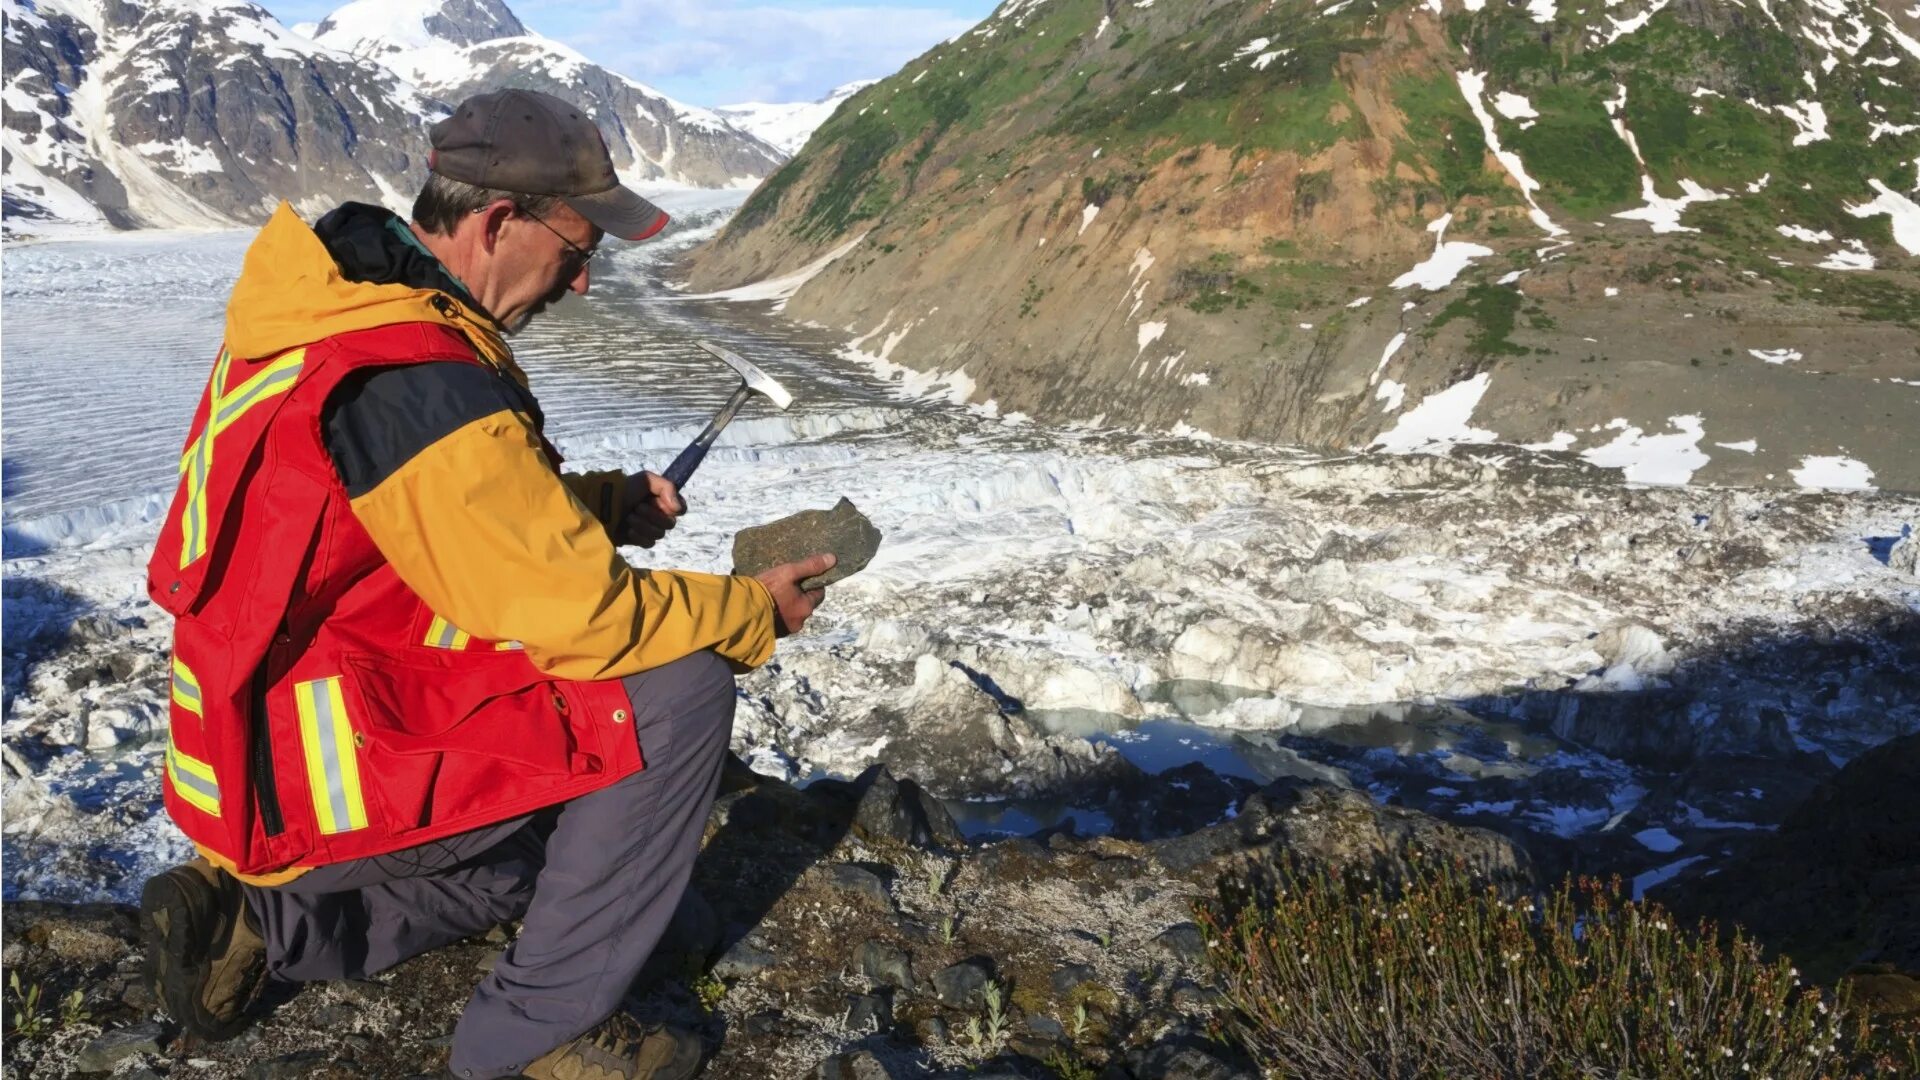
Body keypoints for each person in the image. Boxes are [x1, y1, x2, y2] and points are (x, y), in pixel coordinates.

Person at [137, 88, 831, 1080]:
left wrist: (591, 506)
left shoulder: (332, 315)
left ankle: (262, 929)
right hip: (320, 766)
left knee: (546, 855)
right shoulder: (418, 380)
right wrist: (750, 613)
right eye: (580, 252)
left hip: (258, 742)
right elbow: (593, 620)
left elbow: (408, 535)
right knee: (678, 692)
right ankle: (532, 1038)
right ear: (502, 221)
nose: (582, 284)